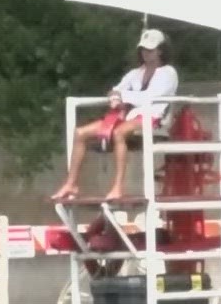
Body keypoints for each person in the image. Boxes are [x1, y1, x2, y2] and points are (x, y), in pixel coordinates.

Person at [49, 28, 179, 203]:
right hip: (130, 117)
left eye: (151, 50)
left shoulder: (169, 72)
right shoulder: (136, 72)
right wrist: (114, 97)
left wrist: (123, 96)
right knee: (80, 133)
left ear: (160, 50)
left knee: (119, 133)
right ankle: (71, 184)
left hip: (154, 118)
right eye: (143, 49)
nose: (146, 53)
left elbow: (150, 97)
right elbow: (116, 88)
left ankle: (118, 187)